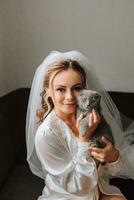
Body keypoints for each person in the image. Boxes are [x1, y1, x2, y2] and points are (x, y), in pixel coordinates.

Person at [26, 50, 134, 200]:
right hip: (68, 196)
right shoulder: (46, 134)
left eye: (77, 88)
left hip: (99, 189)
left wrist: (112, 155)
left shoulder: (91, 117)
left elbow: (111, 170)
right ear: (48, 91)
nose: (70, 97)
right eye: (61, 89)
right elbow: (79, 189)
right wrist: (84, 140)